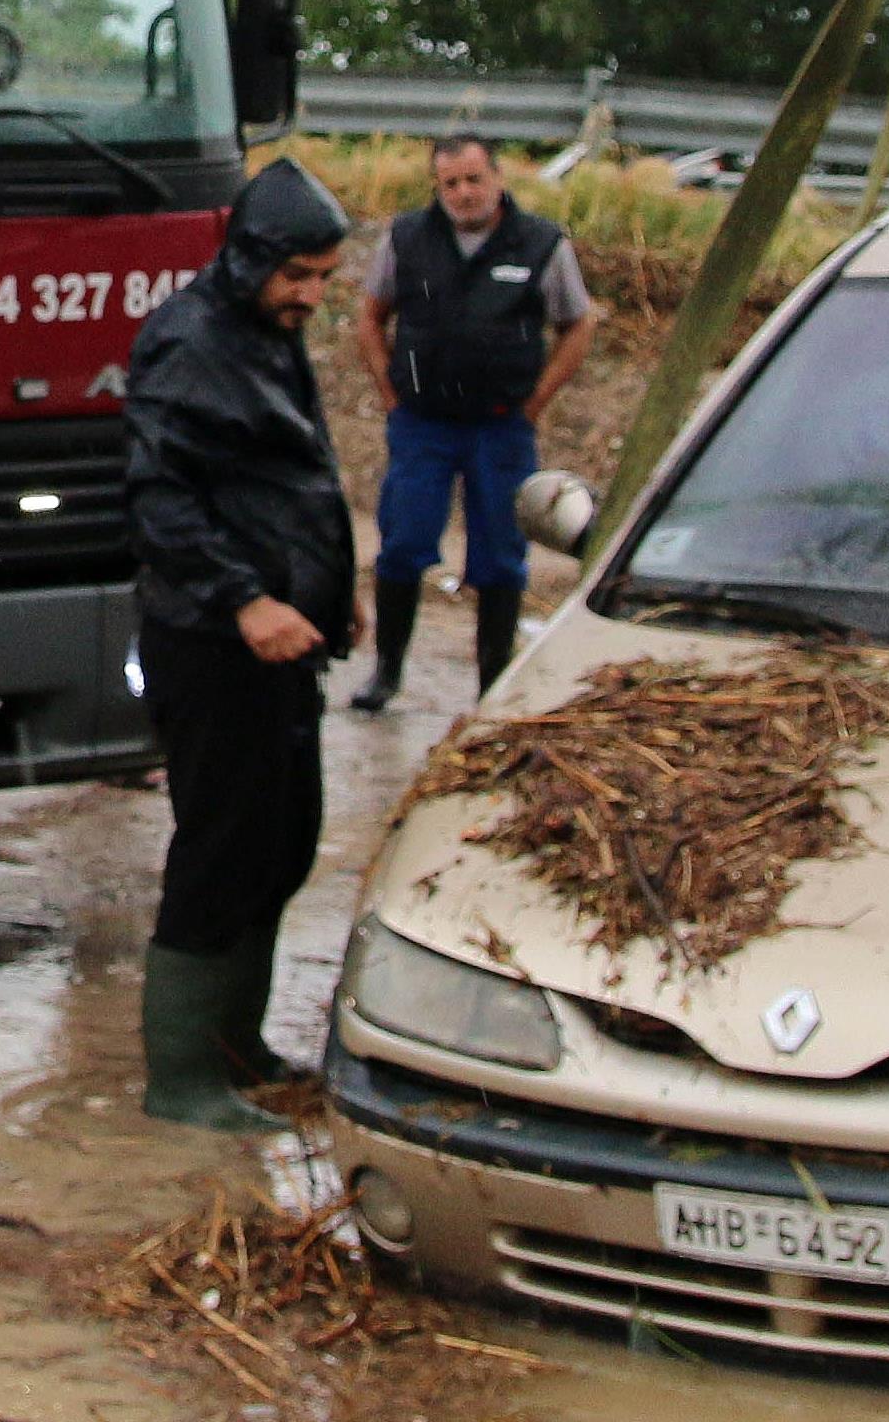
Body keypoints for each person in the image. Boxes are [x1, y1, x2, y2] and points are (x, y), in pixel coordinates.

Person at [122, 157, 361, 1133]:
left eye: (323, 279)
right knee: (222, 847)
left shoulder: (264, 331)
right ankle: (180, 1080)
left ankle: (237, 1047)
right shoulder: (191, 341)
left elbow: (289, 472)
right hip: (213, 642)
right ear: (254, 256)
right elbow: (159, 499)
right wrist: (245, 602)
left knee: (279, 840)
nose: (310, 295)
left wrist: (330, 593)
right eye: (297, 274)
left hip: (280, 641)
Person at [347, 133, 598, 713]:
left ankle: (492, 682)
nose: (463, 193)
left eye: (473, 179)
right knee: (404, 542)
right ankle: (386, 672)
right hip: (422, 424)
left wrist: (536, 403)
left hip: (502, 426)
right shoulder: (406, 237)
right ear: (437, 186)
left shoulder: (540, 244)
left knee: (501, 555)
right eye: (450, 183)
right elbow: (368, 315)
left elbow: (579, 325)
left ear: (498, 178)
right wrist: (390, 394)